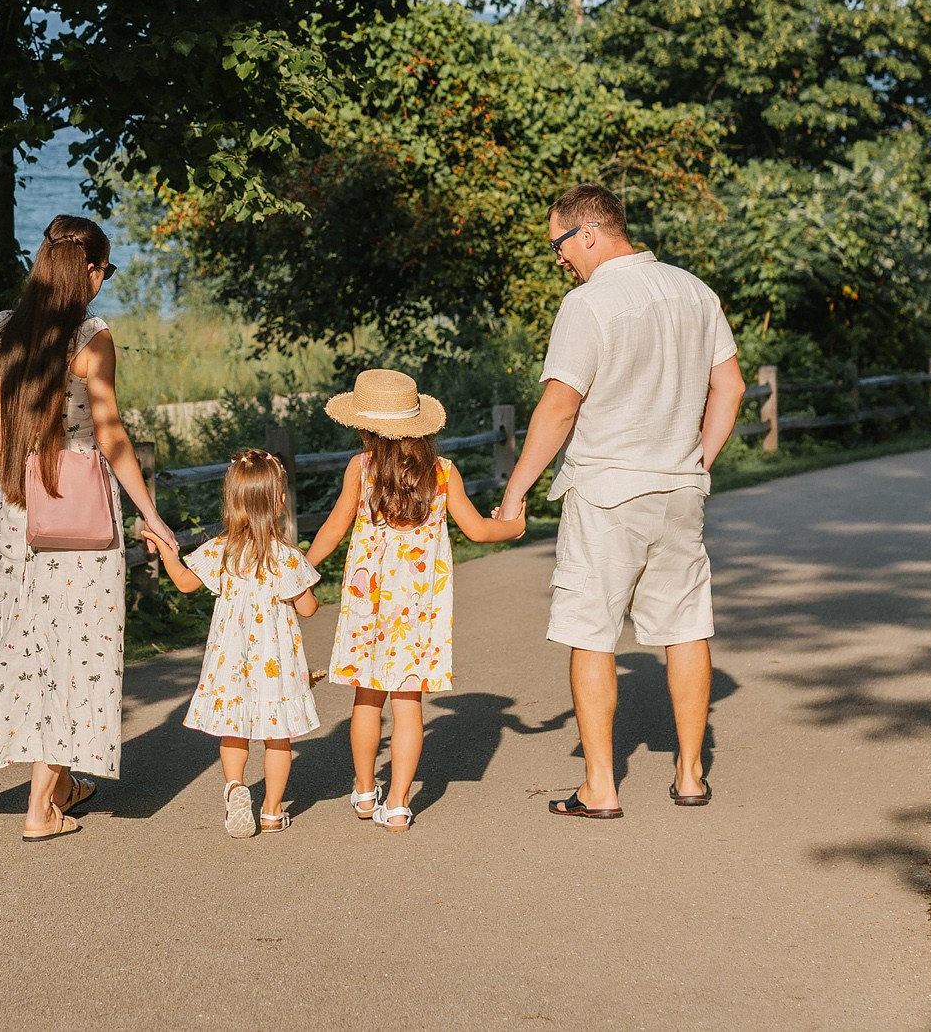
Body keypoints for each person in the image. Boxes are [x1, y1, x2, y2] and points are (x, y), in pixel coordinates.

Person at [494, 183, 746, 819]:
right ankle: (690, 776)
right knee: (687, 626)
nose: (558, 259)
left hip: (607, 490)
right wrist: (696, 461)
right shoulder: (696, 291)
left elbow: (559, 405)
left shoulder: (589, 303)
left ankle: (600, 788)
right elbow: (732, 387)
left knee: (592, 632)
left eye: (558, 244)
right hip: (680, 488)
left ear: (588, 233)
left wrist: (516, 488)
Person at [0, 216, 177, 841]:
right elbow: (112, 437)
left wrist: (21, 486)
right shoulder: (93, 339)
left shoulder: (5, 334)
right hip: (83, 515)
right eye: (104, 269)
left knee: (32, 646)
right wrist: (152, 517)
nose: (104, 281)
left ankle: (62, 783)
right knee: (78, 652)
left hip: (24, 512)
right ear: (87, 269)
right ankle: (43, 808)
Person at [303, 369, 523, 831]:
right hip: (420, 608)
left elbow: (334, 528)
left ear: (365, 427)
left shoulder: (360, 469)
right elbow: (480, 530)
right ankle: (400, 804)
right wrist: (515, 525)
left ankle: (365, 792)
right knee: (408, 704)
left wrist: (299, 570)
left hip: (368, 603)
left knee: (367, 697)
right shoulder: (441, 472)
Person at [139, 449, 323, 838]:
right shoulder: (287, 558)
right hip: (276, 662)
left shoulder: (221, 549)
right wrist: (305, 592)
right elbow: (307, 608)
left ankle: (236, 786)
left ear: (232, 500)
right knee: (278, 736)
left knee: (234, 730)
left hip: (230, 660)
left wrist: (170, 554)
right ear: (280, 501)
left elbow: (186, 582)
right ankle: (272, 811)